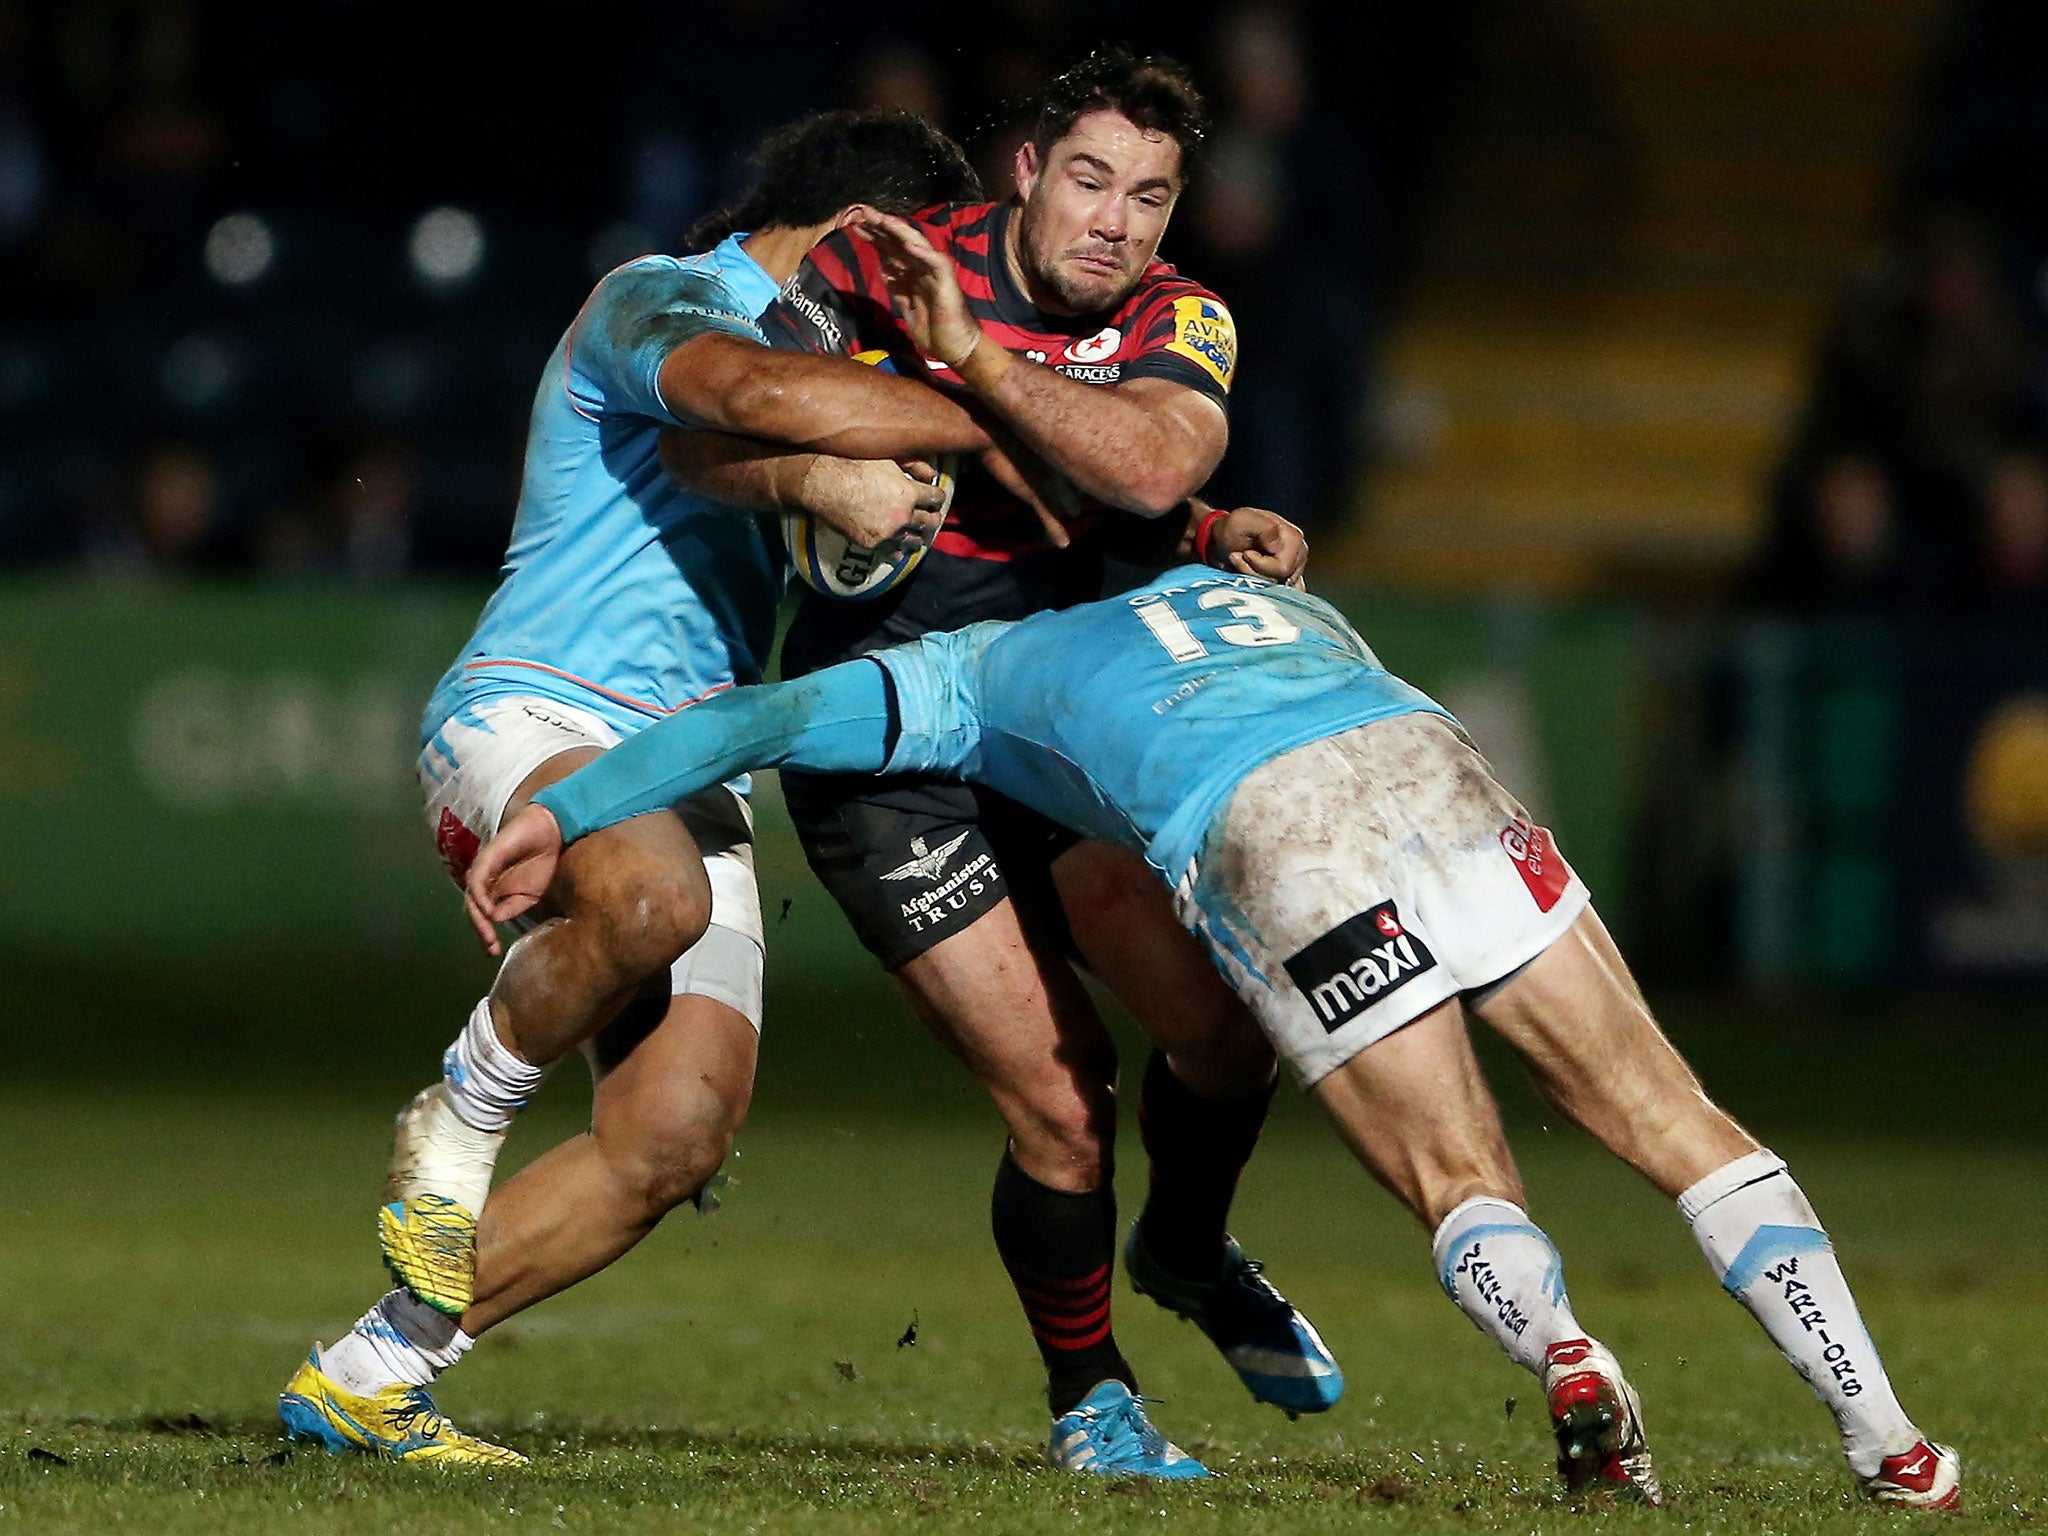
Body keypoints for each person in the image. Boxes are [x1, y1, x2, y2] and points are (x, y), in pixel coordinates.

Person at [467, 565, 1963, 1512]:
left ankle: (1569, 1351)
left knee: (1458, 1175)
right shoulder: (1244, 584)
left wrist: (561, 809)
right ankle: (1889, 1437)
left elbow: (746, 730)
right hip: (1425, 759)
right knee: (1674, 1117)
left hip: (1277, 831)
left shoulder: (957, 674)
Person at [277, 110, 1006, 1466]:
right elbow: (742, 403)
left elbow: (745, 456)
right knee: (656, 897)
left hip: (691, 762)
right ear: (865, 236)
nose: (933, 305)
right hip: (534, 709)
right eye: (925, 265)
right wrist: (992, 390)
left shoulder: (835, 361)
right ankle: (460, 1107)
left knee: (671, 1138)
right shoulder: (665, 296)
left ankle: (367, 1376)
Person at [724, 50, 1334, 1474]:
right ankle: (1091, 1403)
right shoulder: (885, 270)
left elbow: (1140, 473)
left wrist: (1199, 527)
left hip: (1057, 736)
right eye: (1090, 179)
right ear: (1027, 173)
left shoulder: (1185, 315)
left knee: (1230, 1034)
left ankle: (1184, 1248)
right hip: (888, 752)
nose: (1116, 220)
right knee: (1064, 1101)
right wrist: (812, 473)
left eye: (1150, 195)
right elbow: (719, 413)